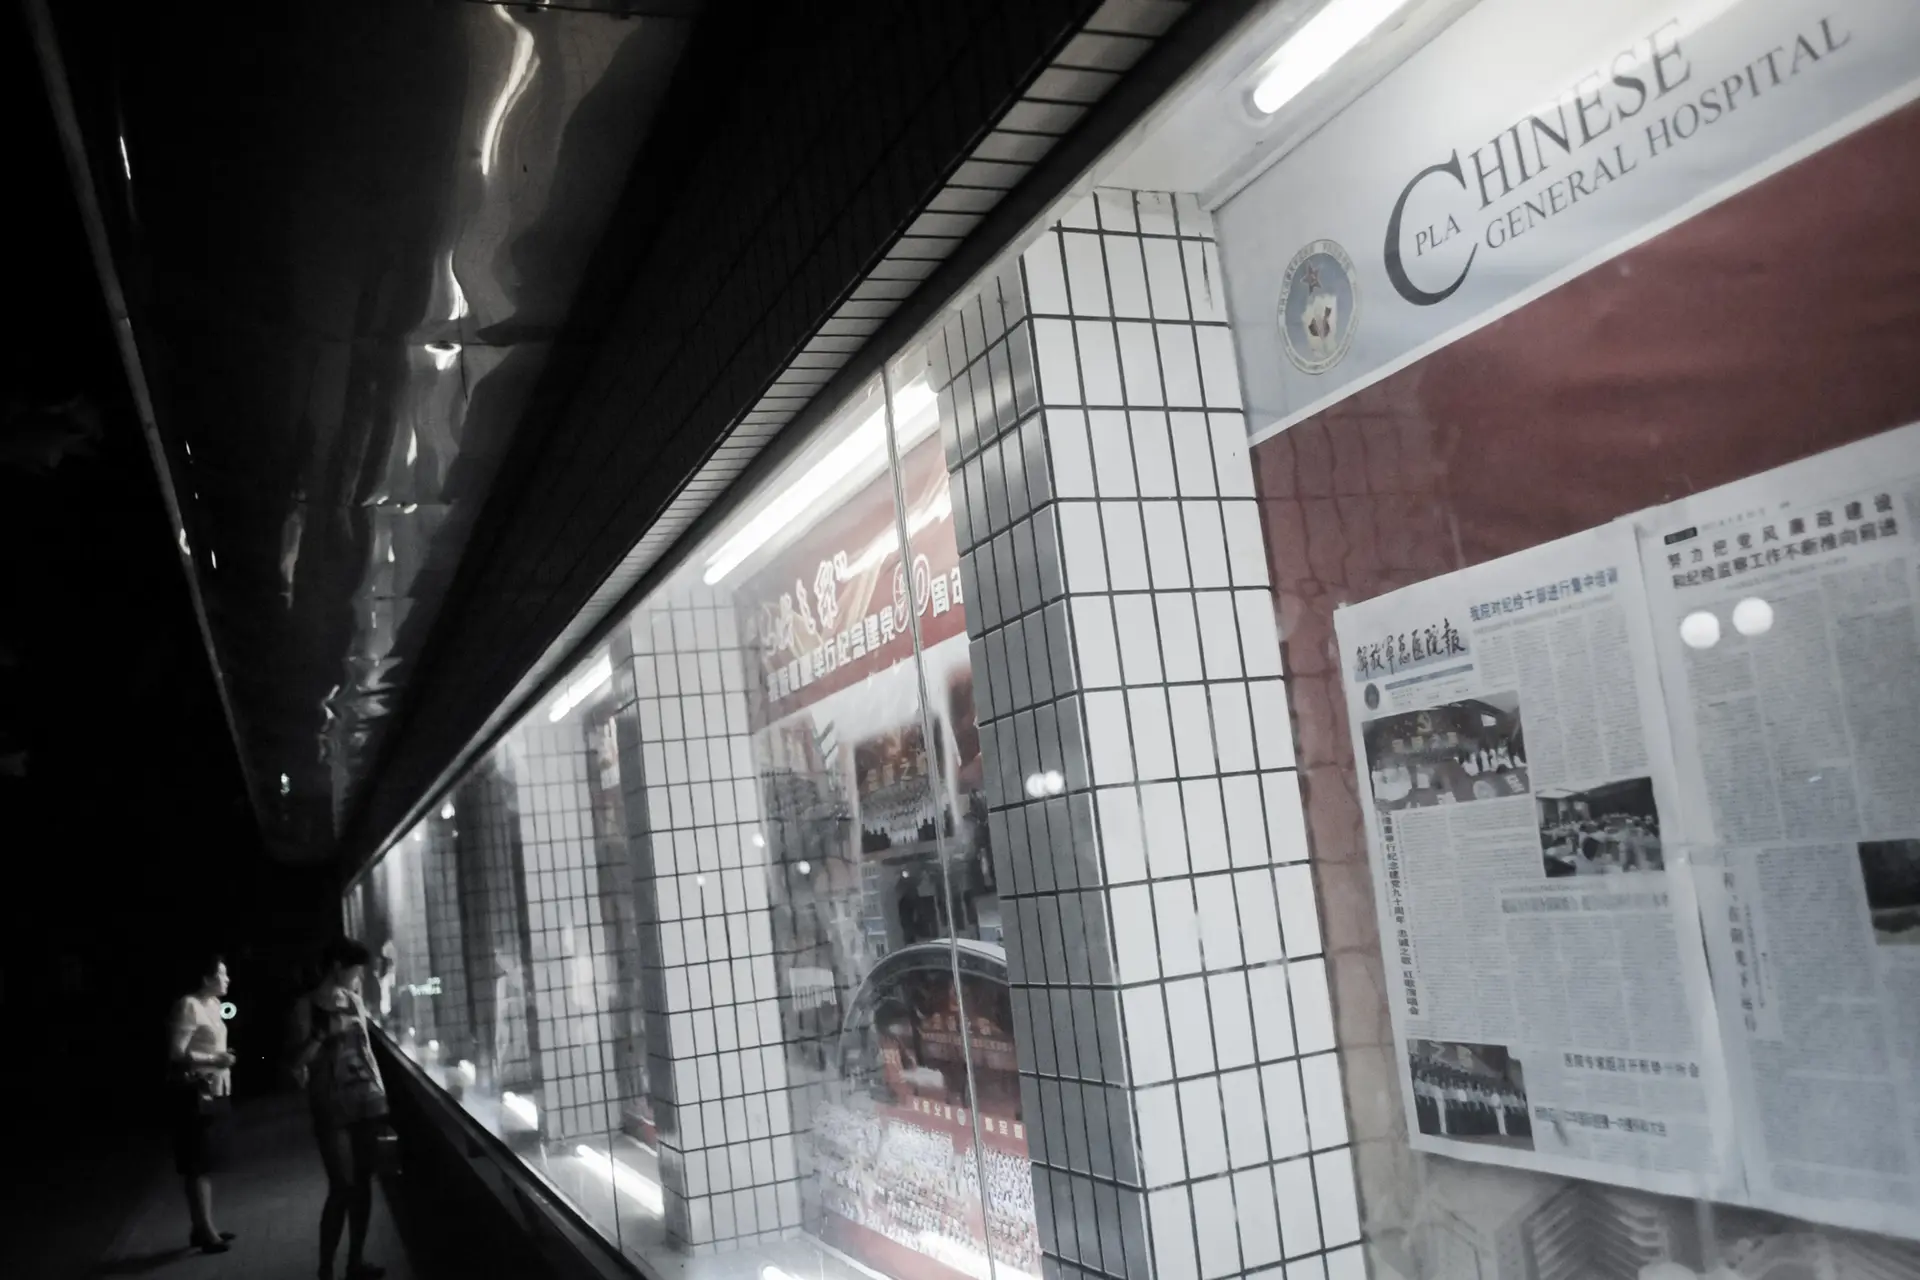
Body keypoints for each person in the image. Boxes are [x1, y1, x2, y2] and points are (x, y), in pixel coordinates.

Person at [289, 938, 389, 1280]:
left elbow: (366, 1050)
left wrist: (381, 1092)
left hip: (365, 1099)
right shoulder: (307, 1007)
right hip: (330, 1104)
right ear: (337, 967)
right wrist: (321, 1036)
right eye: (355, 968)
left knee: (362, 1184)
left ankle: (355, 1262)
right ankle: (325, 1268)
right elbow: (295, 1063)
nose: (358, 974)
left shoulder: (354, 1001)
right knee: (342, 1186)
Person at [168, 953, 237, 1254]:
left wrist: (222, 1057)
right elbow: (176, 1052)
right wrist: (215, 1059)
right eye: (221, 973)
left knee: (207, 1160)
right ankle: (205, 1231)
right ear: (206, 978)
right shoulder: (189, 1005)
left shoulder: (213, 1005)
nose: (227, 978)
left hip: (217, 1088)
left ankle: (203, 1226)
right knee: (197, 1162)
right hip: (196, 1091)